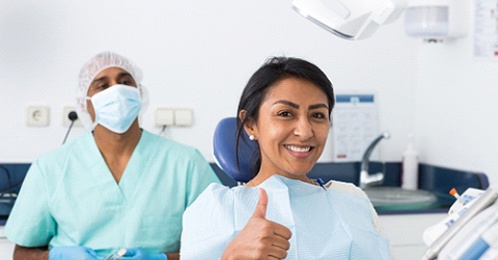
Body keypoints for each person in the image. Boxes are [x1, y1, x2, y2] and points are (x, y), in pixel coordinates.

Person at [4, 52, 221, 260]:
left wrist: (162, 259)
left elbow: (218, 247)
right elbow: (22, 254)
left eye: (125, 82)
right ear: (84, 102)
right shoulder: (51, 168)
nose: (116, 91)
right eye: (103, 85)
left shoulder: (185, 163)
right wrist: (55, 257)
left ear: (140, 93)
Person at [180, 56, 391, 259]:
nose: (305, 131)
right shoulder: (214, 209)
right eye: (285, 113)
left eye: (317, 115)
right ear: (250, 124)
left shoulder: (353, 201)